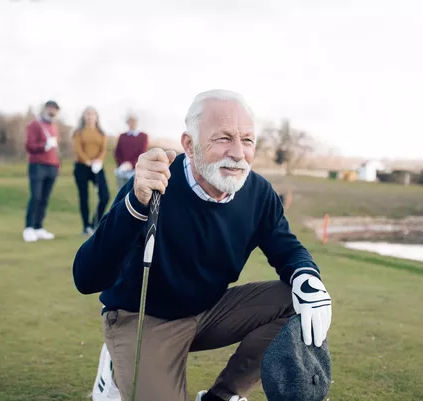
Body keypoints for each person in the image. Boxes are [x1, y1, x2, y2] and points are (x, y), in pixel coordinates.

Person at [73, 89, 332, 401]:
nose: (238, 152)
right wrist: (135, 203)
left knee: (297, 298)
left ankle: (223, 396)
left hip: (207, 311)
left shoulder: (259, 193)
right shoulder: (155, 186)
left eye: (247, 140)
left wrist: (307, 275)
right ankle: (115, 367)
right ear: (189, 145)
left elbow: (288, 249)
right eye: (223, 138)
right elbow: (86, 278)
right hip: (142, 318)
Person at [23, 100, 60, 243]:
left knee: (45, 198)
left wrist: (57, 165)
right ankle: (29, 228)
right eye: (50, 108)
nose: (52, 111)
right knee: (36, 197)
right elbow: (30, 146)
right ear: (45, 109)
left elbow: (55, 149)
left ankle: (38, 227)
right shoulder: (35, 124)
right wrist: (44, 145)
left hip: (52, 166)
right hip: (38, 165)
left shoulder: (53, 126)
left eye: (55, 110)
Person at [73, 106, 111, 235]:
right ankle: (86, 226)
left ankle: (95, 222)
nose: (90, 116)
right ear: (84, 116)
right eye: (87, 114)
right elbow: (78, 149)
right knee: (84, 197)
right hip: (82, 167)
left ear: (96, 116)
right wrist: (87, 161)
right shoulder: (78, 132)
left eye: (92, 114)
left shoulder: (101, 133)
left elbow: (104, 149)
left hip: (97, 167)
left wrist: (98, 161)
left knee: (105, 196)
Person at [113, 113, 148, 190]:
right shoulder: (122, 136)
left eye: (134, 121)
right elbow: (117, 152)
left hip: (135, 170)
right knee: (121, 193)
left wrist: (131, 164)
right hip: (122, 169)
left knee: (133, 193)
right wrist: (122, 164)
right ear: (127, 122)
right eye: (130, 121)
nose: (132, 123)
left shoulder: (143, 136)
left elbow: (142, 153)